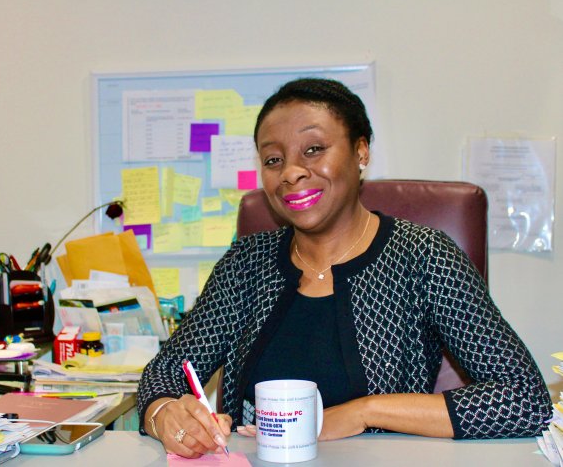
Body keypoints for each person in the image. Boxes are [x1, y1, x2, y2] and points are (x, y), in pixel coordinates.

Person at [137, 78, 551, 458]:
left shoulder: (424, 256)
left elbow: (525, 401)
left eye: (313, 150)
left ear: (361, 151)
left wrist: (363, 412)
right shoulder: (247, 263)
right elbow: (165, 374)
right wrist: (165, 414)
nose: (292, 172)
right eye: (273, 159)